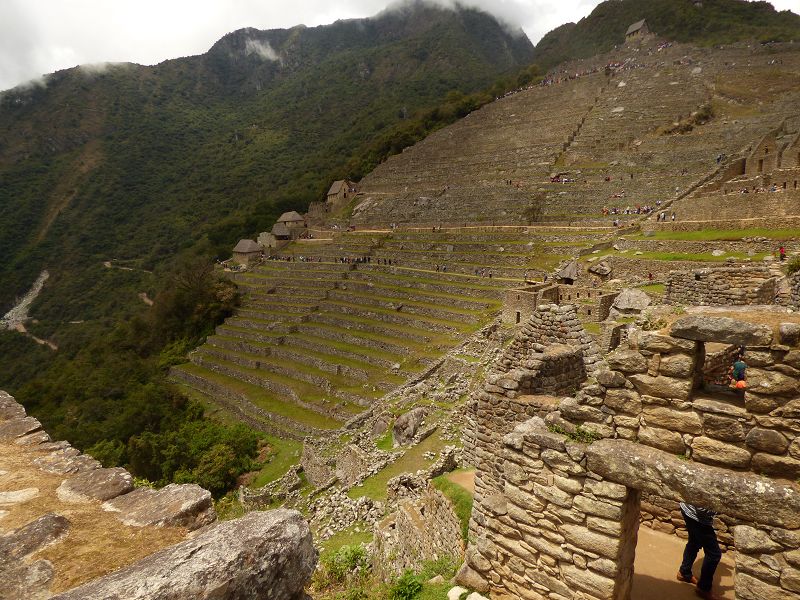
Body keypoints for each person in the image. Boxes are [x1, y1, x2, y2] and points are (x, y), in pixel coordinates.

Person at [677, 501, 722, 600]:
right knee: (714, 554)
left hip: (687, 509)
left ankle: (684, 572)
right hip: (696, 516)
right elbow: (700, 507)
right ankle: (703, 588)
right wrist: (720, 506)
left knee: (694, 542)